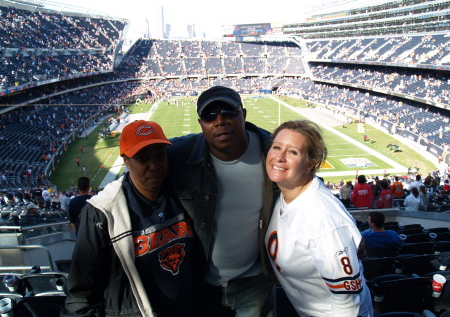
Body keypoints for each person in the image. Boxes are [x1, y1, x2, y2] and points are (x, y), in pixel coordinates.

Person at [63, 120, 195, 317]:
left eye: (160, 156)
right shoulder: (102, 212)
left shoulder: (182, 194)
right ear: (126, 160)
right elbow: (81, 294)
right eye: (143, 158)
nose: (154, 166)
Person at [167, 86, 277, 317]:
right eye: (210, 116)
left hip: (255, 281)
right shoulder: (179, 155)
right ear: (201, 124)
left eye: (228, 112)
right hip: (199, 282)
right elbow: (139, 173)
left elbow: (309, 186)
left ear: (243, 115)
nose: (220, 121)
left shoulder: (273, 150)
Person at [264, 120, 373, 316]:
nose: (279, 157)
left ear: (310, 164)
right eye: (277, 147)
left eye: (293, 152)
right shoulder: (288, 190)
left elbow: (347, 305)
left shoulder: (322, 218)